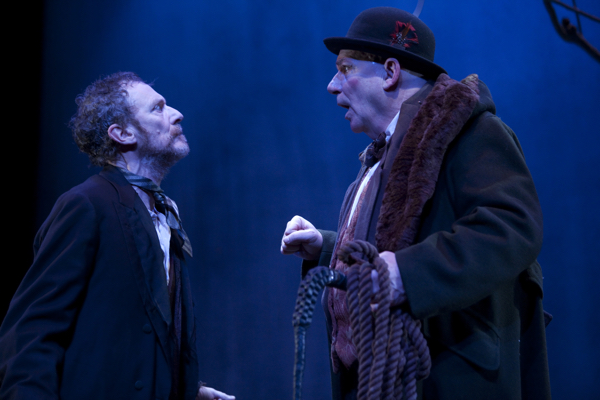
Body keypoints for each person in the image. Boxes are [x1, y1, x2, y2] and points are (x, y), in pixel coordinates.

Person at [281, 7, 551, 400]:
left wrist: (408, 275)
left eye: (345, 68)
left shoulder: (470, 133)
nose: (332, 85)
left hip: (448, 380)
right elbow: (399, 242)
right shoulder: (381, 158)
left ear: (390, 72)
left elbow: (511, 226)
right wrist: (328, 248)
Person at [0, 72, 234, 400]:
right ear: (122, 133)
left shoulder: (165, 210)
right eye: (157, 108)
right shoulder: (87, 203)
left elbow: (146, 330)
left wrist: (186, 390)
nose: (177, 114)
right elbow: (33, 328)